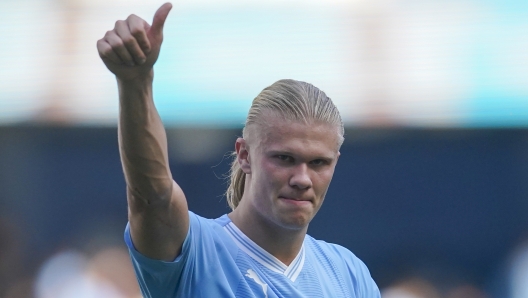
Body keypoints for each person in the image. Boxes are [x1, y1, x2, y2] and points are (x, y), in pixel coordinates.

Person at [97, 2, 380, 297]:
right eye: (285, 158)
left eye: (319, 163)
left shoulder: (349, 275)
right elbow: (151, 194)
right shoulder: (195, 251)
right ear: (245, 155)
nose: (302, 178)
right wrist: (135, 83)